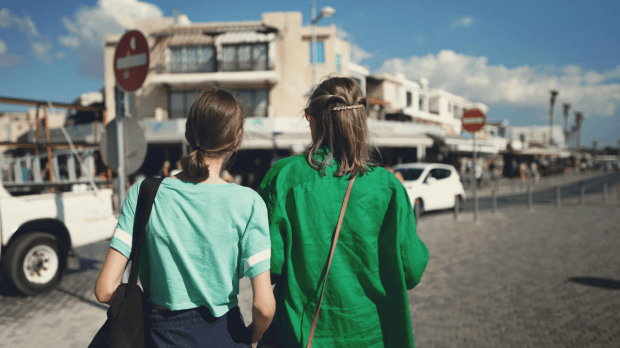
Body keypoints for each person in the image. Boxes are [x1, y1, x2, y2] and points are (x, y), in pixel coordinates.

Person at [95, 88, 275, 348]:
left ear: (190, 133)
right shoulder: (248, 203)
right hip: (225, 335)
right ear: (237, 137)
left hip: (161, 336)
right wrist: (252, 337)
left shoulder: (144, 193)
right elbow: (264, 306)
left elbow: (105, 289)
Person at [258, 77, 429, 347]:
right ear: (361, 120)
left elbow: (269, 265)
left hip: (301, 335)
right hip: (370, 335)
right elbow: (411, 269)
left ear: (311, 118)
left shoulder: (284, 178)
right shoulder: (387, 187)